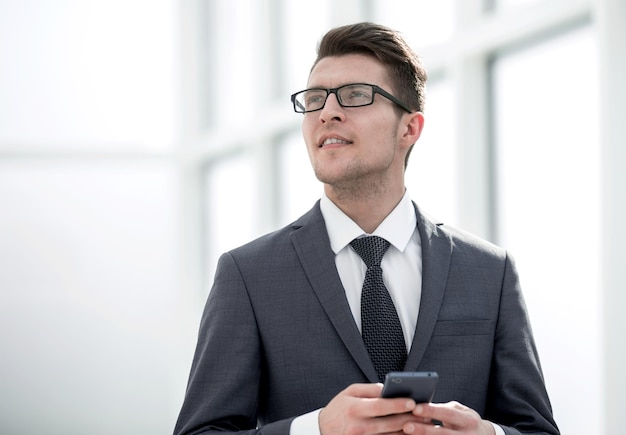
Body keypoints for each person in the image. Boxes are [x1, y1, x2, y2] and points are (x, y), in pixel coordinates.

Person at [174, 22, 559, 435]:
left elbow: (537, 429)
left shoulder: (488, 271)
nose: (327, 112)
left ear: (409, 129)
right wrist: (316, 430)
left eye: (356, 95)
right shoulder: (249, 275)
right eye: (315, 98)